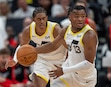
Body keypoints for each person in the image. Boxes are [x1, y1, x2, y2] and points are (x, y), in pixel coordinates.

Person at [33, 5, 98, 87]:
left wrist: (64, 70)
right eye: (76, 17)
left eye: (83, 16)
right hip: (69, 73)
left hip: (85, 79)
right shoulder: (66, 29)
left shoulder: (89, 35)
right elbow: (53, 45)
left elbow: (88, 64)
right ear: (69, 17)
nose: (80, 19)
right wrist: (34, 50)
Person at [5, 7, 67, 87]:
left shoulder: (55, 29)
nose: (42, 21)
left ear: (47, 18)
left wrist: (69, 63)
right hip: (42, 60)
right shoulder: (29, 30)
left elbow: (60, 46)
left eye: (43, 18)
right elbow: (22, 46)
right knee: (38, 83)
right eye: (39, 19)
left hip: (59, 61)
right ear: (33, 19)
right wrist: (15, 60)